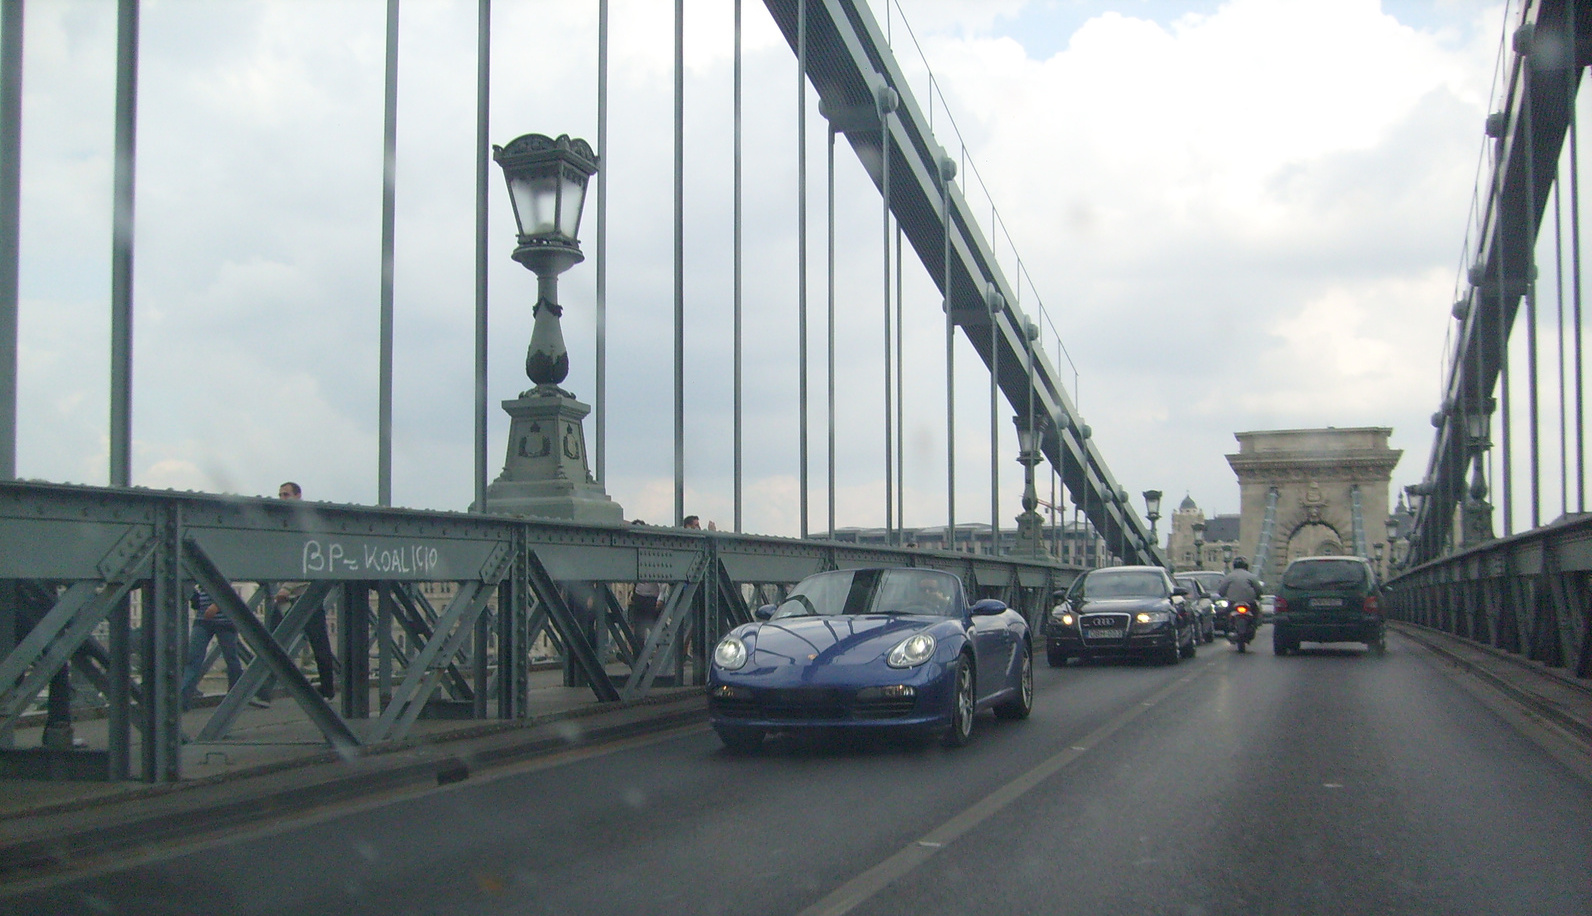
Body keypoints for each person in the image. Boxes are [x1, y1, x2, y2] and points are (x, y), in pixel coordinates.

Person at [274, 481, 337, 699]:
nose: (282, 498)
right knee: (273, 641)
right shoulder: (291, 521)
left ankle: (263, 691)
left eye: (286, 494)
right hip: (292, 594)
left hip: (302, 594)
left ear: (298, 496)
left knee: (272, 642)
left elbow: (302, 560)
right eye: (280, 495)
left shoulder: (299, 523)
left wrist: (285, 587)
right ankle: (264, 691)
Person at [180, 584, 246, 709]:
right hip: (203, 619)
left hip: (224, 621)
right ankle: (182, 700)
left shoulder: (224, 568)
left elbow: (230, 590)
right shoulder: (198, 574)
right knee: (193, 659)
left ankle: (235, 697)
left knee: (231, 659)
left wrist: (218, 604)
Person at [1215, 557, 1264, 645]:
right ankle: (1254, 625)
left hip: (1233, 602)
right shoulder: (1251, 576)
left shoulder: (1229, 576)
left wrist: (1224, 595)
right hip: (1249, 602)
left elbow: (1221, 591)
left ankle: (1229, 628)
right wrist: (1258, 596)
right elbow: (1259, 590)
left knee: (1226, 615)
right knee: (1255, 613)